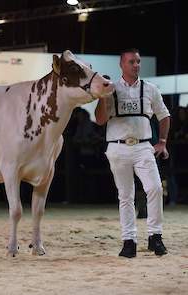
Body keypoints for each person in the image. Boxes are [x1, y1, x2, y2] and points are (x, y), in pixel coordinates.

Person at [95, 48, 170, 258]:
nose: (136, 65)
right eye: (131, 62)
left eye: (137, 62)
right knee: (125, 196)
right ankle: (129, 241)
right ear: (122, 65)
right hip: (117, 147)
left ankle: (155, 236)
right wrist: (103, 95)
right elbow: (100, 120)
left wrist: (162, 141)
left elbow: (164, 115)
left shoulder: (150, 89)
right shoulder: (111, 89)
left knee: (155, 188)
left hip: (143, 146)